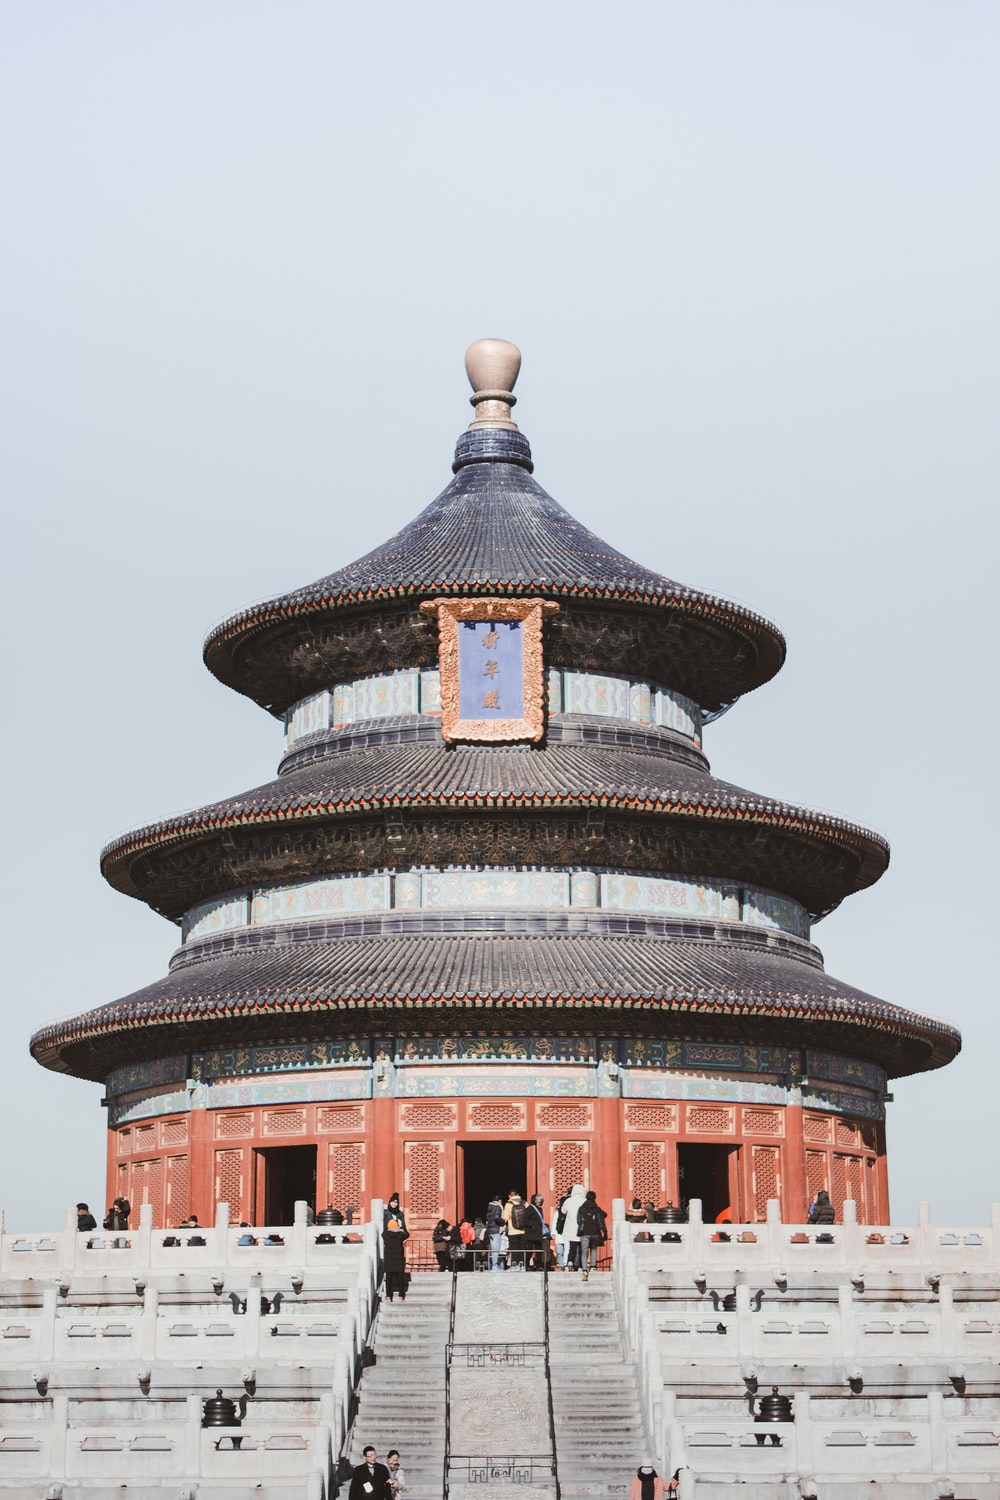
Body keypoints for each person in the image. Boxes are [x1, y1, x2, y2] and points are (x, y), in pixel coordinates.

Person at [576, 1189, 607, 1281]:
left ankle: (585, 1270)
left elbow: (578, 1220)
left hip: (584, 1232)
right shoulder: (597, 1209)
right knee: (594, 1249)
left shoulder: (581, 1208)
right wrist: (604, 1232)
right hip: (595, 1232)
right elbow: (603, 1217)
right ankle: (593, 1267)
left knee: (584, 1252)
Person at [557, 1184, 586, 1271]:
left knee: (572, 1247)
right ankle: (580, 1265)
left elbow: (563, 1211)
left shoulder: (568, 1201)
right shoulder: (584, 1201)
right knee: (581, 1248)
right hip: (582, 1229)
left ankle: (570, 1261)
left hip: (570, 1229)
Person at [382, 1216, 409, 1301]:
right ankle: (401, 1295)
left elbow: (383, 1233)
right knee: (400, 1278)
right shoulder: (401, 1235)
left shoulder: (385, 1235)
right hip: (398, 1260)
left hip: (389, 1260)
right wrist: (400, 1228)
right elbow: (407, 1234)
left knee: (389, 1279)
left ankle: (388, 1296)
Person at [502, 1191, 526, 1269]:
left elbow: (505, 1218)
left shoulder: (509, 1204)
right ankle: (523, 1265)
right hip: (523, 1230)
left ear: (509, 1196)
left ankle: (515, 1265)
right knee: (523, 1248)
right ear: (518, 1194)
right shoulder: (524, 1203)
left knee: (514, 1249)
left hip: (513, 1231)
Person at [523, 1193, 546, 1270]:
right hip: (530, 1233)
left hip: (538, 1233)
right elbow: (524, 1220)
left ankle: (538, 1265)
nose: (541, 1202)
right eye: (540, 1200)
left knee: (539, 1250)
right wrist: (532, 1225)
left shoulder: (540, 1209)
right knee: (529, 1250)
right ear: (535, 1200)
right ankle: (527, 1265)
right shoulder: (529, 1209)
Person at [485, 1192, 507, 1271]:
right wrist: (503, 1222)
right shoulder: (497, 1207)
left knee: (493, 1248)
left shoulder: (489, 1207)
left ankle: (494, 1265)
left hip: (490, 1230)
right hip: (495, 1229)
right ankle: (495, 1265)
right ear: (499, 1200)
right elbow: (497, 1217)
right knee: (496, 1249)